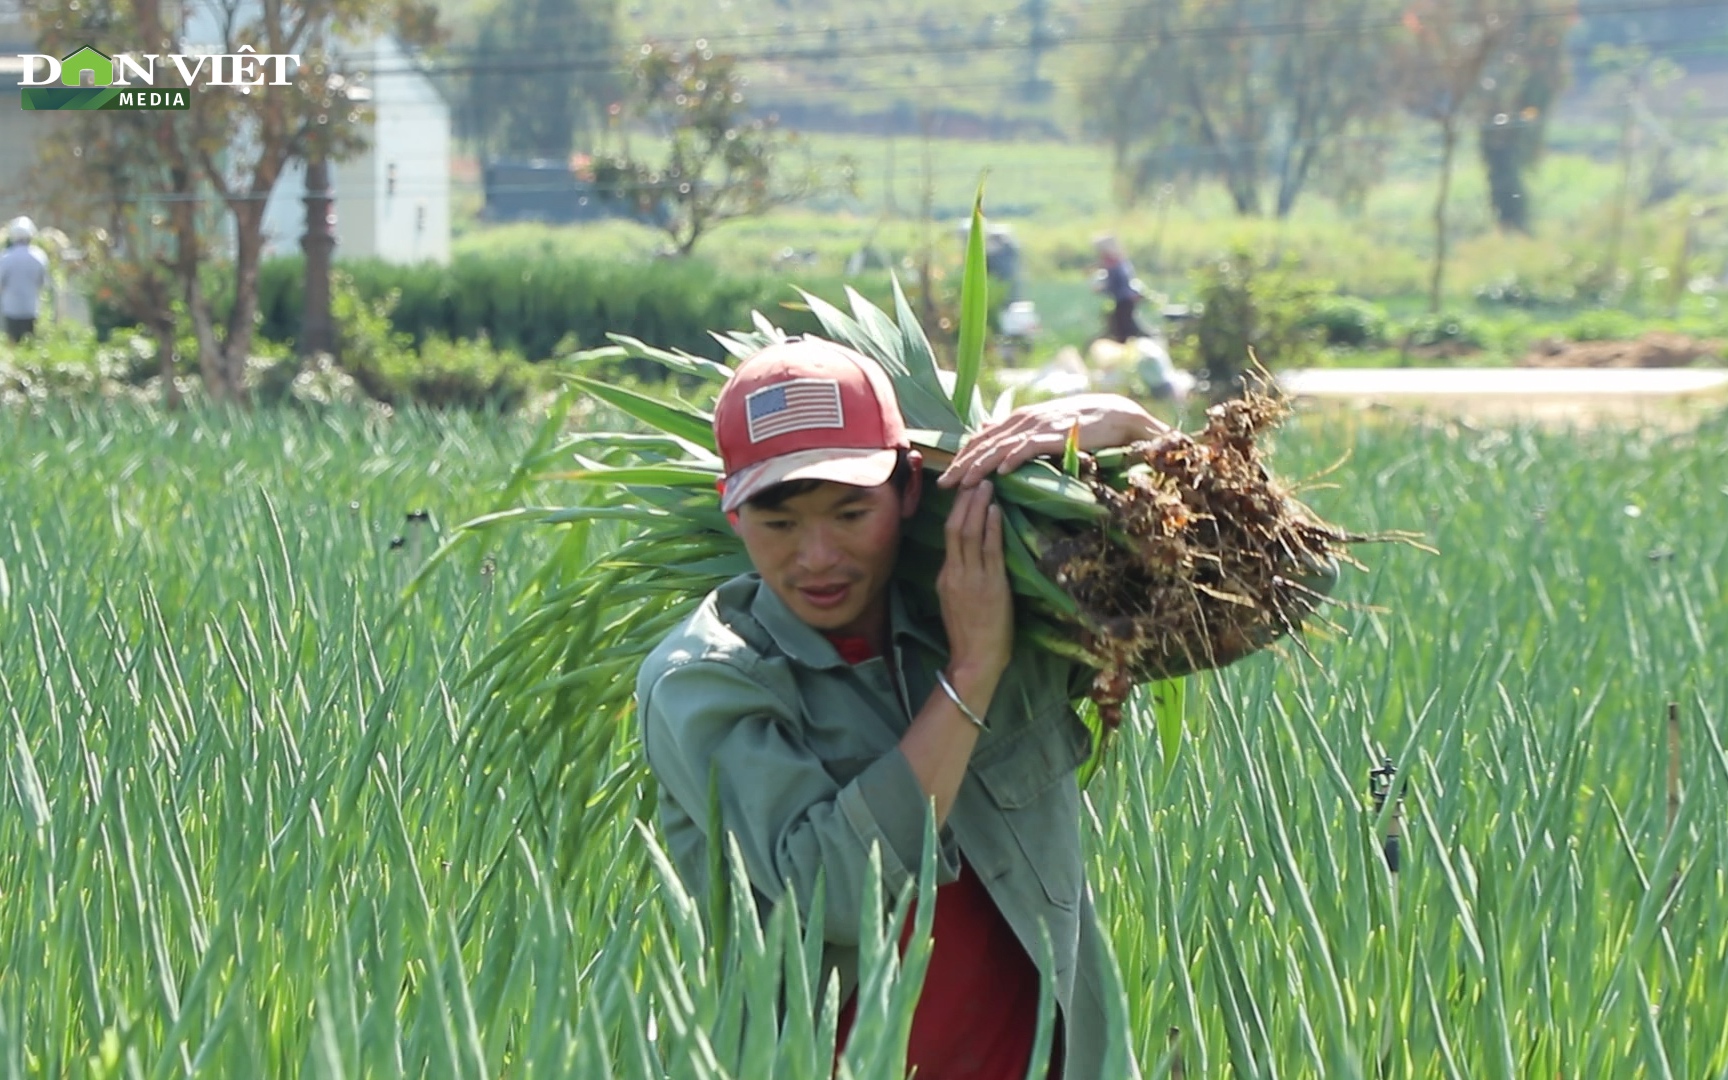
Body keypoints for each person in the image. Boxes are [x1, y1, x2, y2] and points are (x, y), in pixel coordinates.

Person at [636, 336, 1170, 1079]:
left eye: (850, 514)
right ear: (733, 516)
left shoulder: (1001, 602)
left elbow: (1287, 593)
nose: (817, 556)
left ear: (909, 490)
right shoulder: (708, 682)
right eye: (780, 524)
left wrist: (1147, 437)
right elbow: (837, 894)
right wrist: (972, 674)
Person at [1, 217, 51, 344]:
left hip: (11, 307)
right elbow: (43, 283)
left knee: (13, 343)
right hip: (31, 308)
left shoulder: (6, 257)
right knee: (29, 343)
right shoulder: (39, 257)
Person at [1092, 235, 1145, 345]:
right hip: (1125, 299)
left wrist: (1102, 288)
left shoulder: (1115, 265)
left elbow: (1115, 284)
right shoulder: (1121, 263)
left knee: (1124, 329)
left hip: (1124, 300)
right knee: (1123, 326)